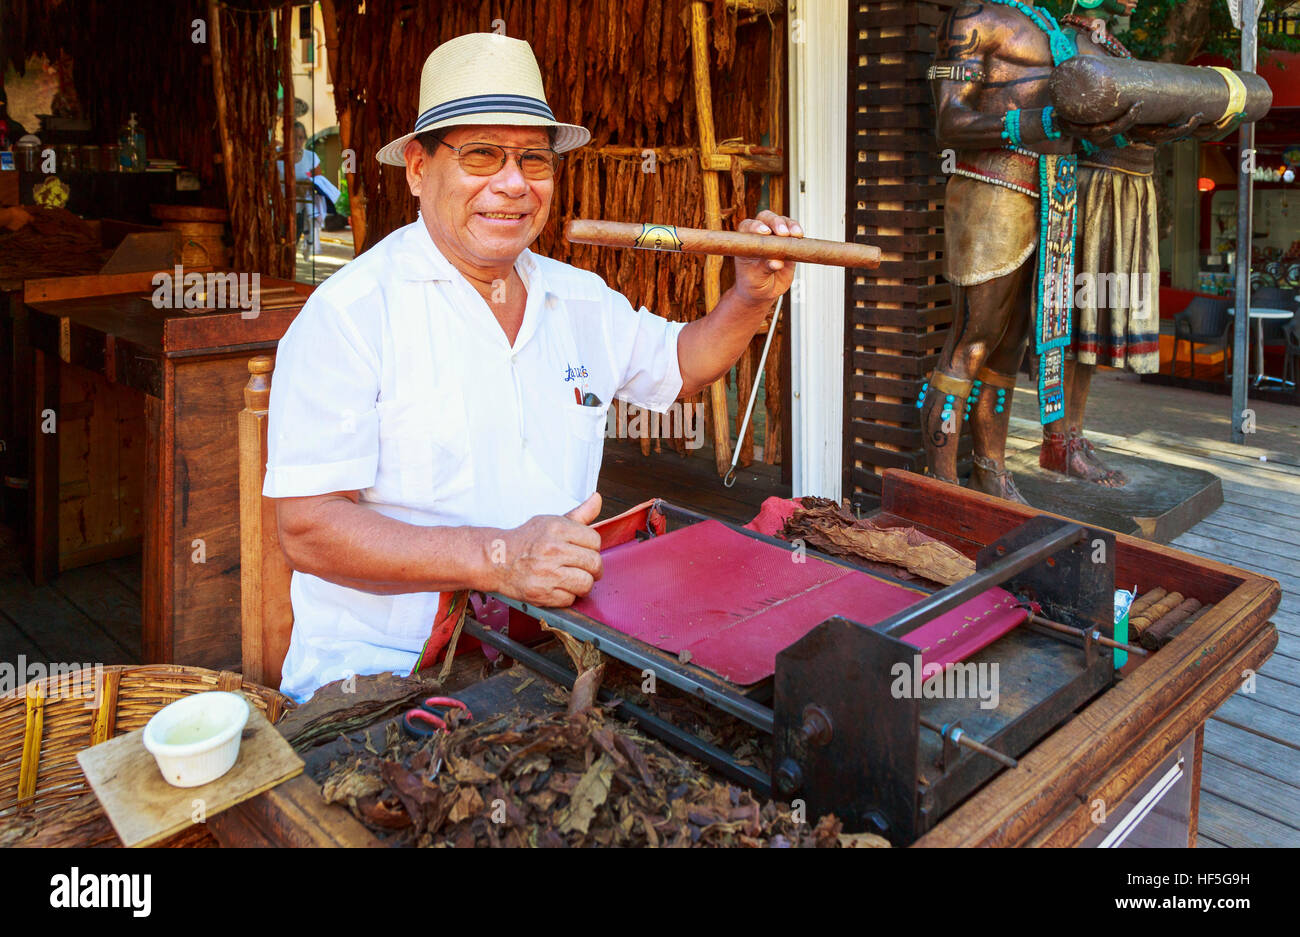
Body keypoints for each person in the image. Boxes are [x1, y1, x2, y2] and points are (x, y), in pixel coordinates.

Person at [264, 33, 801, 702]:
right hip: (385, 673)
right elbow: (307, 528)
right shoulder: (349, 314)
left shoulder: (576, 298)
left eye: (534, 159)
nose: (513, 184)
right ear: (417, 167)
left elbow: (683, 363)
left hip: (548, 649)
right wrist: (499, 558)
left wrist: (750, 297)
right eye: (481, 155)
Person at [1042, 0, 1203, 485]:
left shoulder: (1111, 45)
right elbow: (1061, 122)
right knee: (1072, 321)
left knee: (1094, 321)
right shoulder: (1061, 43)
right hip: (1088, 194)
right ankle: (1057, 442)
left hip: (1126, 192)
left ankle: (1073, 432)